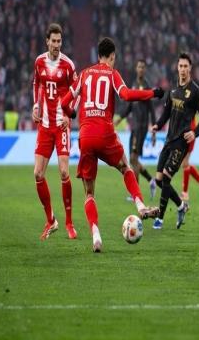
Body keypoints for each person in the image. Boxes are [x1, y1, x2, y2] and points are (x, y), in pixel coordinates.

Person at [61, 37, 163, 252]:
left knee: (89, 193)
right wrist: (152, 93)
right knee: (126, 167)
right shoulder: (112, 74)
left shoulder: (84, 74)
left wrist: (71, 113)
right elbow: (126, 95)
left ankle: (96, 236)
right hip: (106, 133)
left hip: (86, 136)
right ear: (112, 57)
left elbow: (64, 103)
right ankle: (140, 205)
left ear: (98, 55)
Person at [151, 52, 199, 230]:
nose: (183, 69)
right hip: (169, 140)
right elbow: (166, 113)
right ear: (177, 67)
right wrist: (157, 125)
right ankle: (181, 205)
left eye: (185, 66)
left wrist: (195, 133)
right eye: (180, 66)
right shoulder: (173, 88)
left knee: (166, 178)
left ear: (190, 68)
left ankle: (160, 218)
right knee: (159, 180)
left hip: (181, 143)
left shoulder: (195, 91)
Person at [31, 23, 78, 241]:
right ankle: (51, 220)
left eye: (60, 41)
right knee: (38, 174)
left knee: (64, 172)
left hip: (61, 125)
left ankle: (69, 222)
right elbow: (36, 84)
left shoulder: (68, 65)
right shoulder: (39, 62)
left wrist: (69, 115)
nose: (57, 45)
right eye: (54, 41)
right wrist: (35, 105)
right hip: (44, 126)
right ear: (47, 41)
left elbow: (77, 91)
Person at [114, 59, 157, 200]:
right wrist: (120, 118)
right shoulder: (133, 84)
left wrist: (154, 129)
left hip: (142, 127)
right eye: (139, 66)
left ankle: (135, 194)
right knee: (133, 160)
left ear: (145, 70)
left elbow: (152, 110)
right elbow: (130, 106)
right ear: (136, 68)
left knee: (133, 158)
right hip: (134, 126)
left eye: (143, 67)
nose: (141, 69)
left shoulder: (147, 86)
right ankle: (151, 180)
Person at [181, 119, 199, 201]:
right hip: (183, 131)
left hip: (190, 132)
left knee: (185, 163)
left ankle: (185, 193)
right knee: (185, 164)